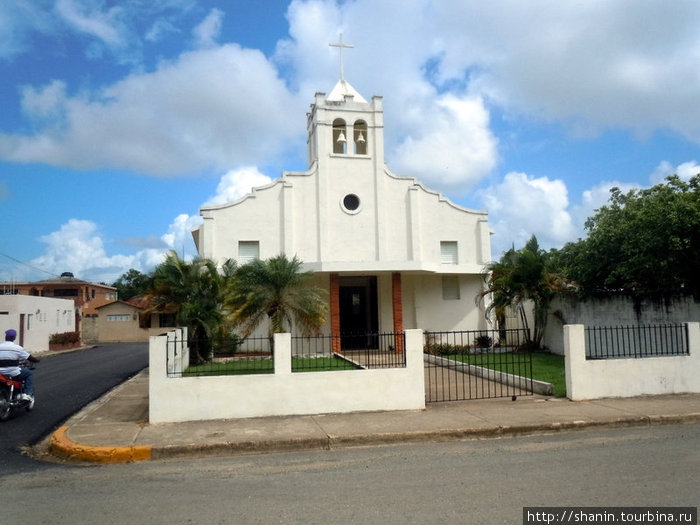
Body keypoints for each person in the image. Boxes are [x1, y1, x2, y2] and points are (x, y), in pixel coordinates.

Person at [0, 328, 40, 402]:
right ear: (14, 338)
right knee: (29, 373)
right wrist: (37, 360)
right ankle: (26, 394)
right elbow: (29, 357)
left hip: (1, 374)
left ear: (6, 337)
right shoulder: (18, 348)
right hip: (13, 373)